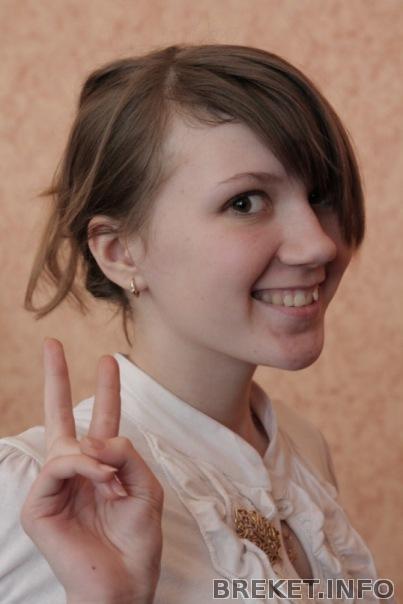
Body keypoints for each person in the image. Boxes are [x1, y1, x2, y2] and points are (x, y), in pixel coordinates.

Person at [0, 43, 389, 603]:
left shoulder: (301, 447)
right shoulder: (43, 494)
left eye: (321, 195)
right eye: (245, 202)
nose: (319, 244)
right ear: (120, 252)